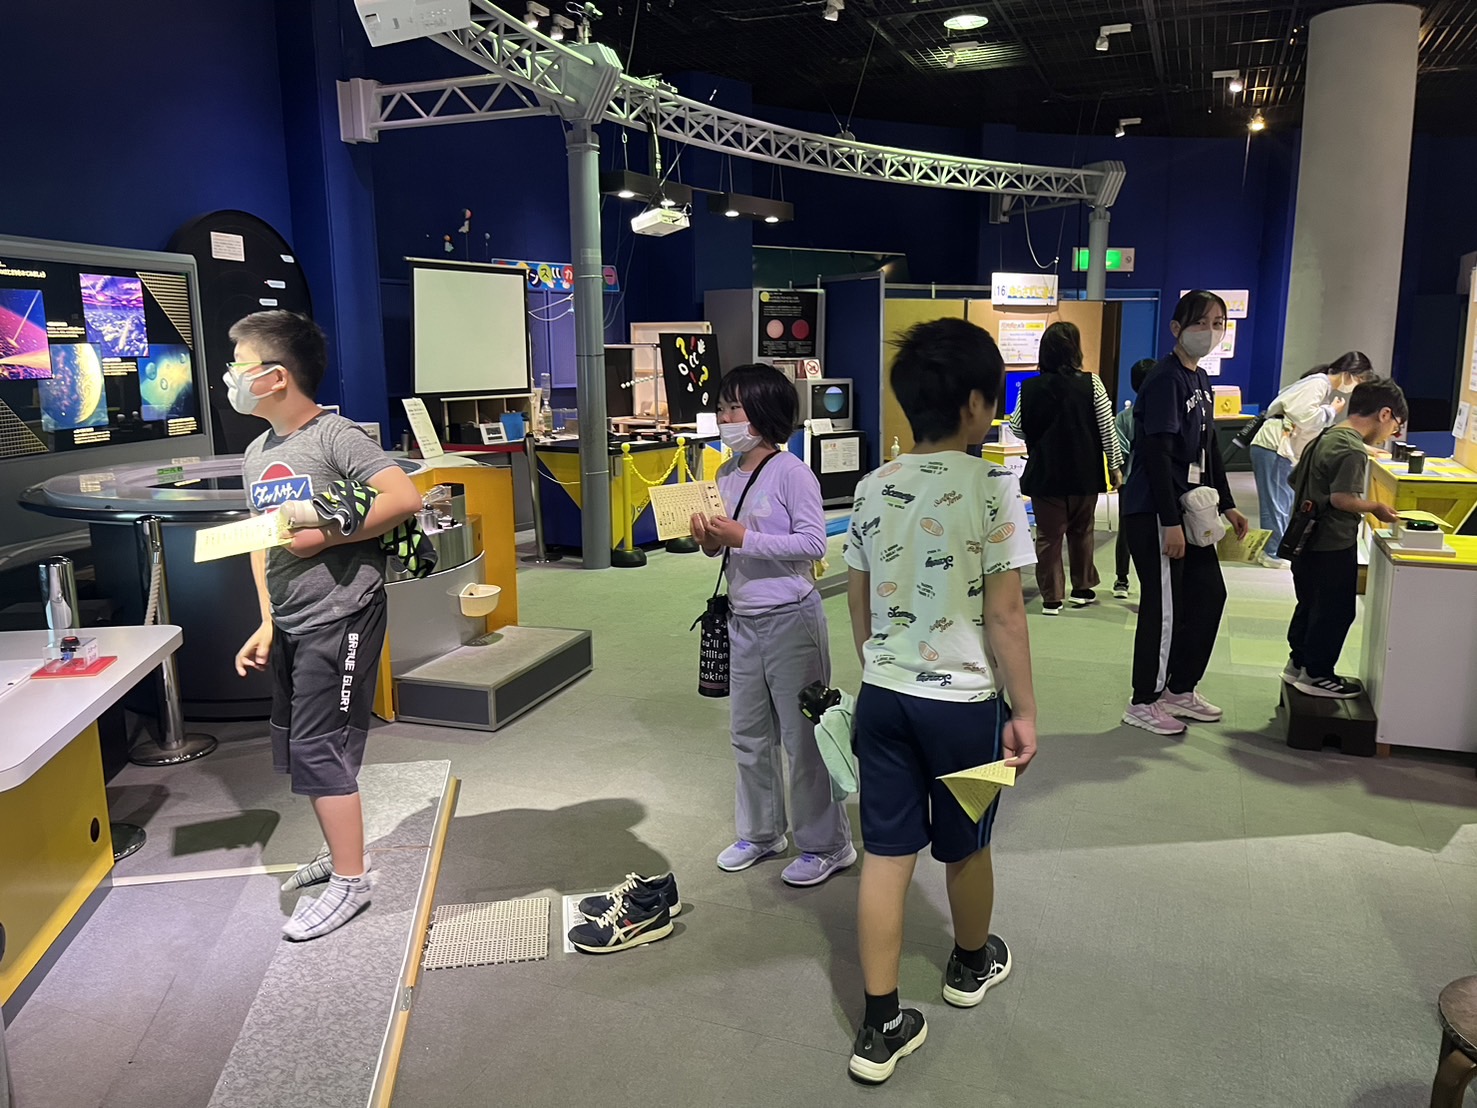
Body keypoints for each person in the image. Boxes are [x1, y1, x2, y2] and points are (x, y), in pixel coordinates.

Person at [842, 318, 1038, 1085]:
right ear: (973, 405)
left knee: (886, 855)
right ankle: (968, 964)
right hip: (964, 708)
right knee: (968, 844)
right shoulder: (992, 487)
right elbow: (1005, 615)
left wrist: (879, 666)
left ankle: (879, 1024)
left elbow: (857, 600)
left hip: (882, 700)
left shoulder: (871, 486)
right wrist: (1024, 711)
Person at [230, 310, 423, 941]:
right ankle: (342, 851)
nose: (231, 377)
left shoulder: (335, 436)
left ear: (276, 377)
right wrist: (266, 619)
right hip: (293, 620)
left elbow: (403, 497)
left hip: (342, 614)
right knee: (307, 743)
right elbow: (263, 540)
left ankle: (350, 880)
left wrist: (326, 536)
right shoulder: (258, 452)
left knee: (321, 747)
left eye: (239, 365)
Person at [691, 363, 855, 888]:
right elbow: (724, 548)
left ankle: (828, 843)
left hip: (791, 618)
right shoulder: (723, 474)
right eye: (722, 407)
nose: (724, 417)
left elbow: (813, 544)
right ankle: (761, 833)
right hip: (742, 619)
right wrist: (711, 541)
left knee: (804, 736)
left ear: (762, 413)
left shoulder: (792, 472)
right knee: (747, 734)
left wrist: (744, 538)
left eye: (733, 407)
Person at [1119, 291, 1250, 737]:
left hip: (1194, 508)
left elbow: (1208, 447)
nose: (1209, 331)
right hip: (1156, 511)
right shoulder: (1165, 380)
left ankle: (1179, 689)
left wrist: (1228, 504)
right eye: (1200, 322)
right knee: (1164, 608)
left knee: (1209, 595)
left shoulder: (1200, 379)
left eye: (1218, 323)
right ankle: (1144, 700)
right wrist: (1170, 522)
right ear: (1176, 328)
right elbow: (1156, 455)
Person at [1284, 378, 1405, 698]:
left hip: (1303, 539)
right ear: (1384, 414)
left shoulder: (1326, 436)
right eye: (1395, 427)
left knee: (1309, 604)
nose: (1390, 434)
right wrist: (1375, 507)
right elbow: (1342, 499)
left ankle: (1298, 664)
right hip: (1332, 541)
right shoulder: (1352, 449)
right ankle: (1318, 674)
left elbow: (1294, 479)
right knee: (1335, 611)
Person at [1008, 321, 1123, 614]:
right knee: (1082, 531)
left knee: (1048, 536)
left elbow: (1017, 426)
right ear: (1075, 350)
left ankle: (1051, 597)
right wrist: (1115, 465)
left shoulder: (1029, 387)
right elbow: (1106, 427)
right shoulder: (1092, 383)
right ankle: (1081, 589)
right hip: (1084, 471)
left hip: (1045, 473)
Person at [1250, 351, 1375, 568]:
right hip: (1274, 445)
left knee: (1282, 501)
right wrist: (1331, 410)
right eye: (1359, 379)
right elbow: (1306, 418)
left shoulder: (1320, 386)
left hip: (1279, 447)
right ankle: (1272, 553)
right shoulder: (1318, 383)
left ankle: (1275, 549)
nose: (1356, 385)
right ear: (1349, 373)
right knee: (1276, 503)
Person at [1111, 359, 1158, 599]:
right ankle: (1152, 581)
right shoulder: (1166, 413)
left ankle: (1122, 579)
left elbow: (1120, 451)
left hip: (1130, 481)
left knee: (1126, 530)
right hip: (1158, 481)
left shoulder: (1124, 417)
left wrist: (1118, 474)